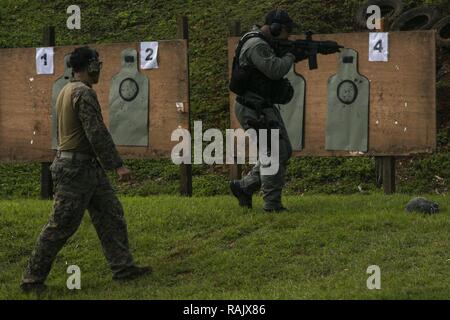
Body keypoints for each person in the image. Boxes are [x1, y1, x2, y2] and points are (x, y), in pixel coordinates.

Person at [21, 46, 150, 293]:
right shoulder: (83, 93)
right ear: (89, 66)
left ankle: (123, 268)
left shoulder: (68, 89)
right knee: (61, 225)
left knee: (111, 215)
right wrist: (118, 166)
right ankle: (31, 279)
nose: (100, 67)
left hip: (85, 167)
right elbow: (96, 133)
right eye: (97, 63)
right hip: (76, 169)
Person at [229, 9, 334, 212]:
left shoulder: (264, 43)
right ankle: (272, 204)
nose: (288, 36)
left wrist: (301, 52)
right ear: (275, 28)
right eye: (286, 31)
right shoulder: (256, 45)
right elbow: (275, 70)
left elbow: (276, 61)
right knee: (274, 153)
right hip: (253, 108)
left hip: (262, 106)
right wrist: (290, 55)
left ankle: (244, 186)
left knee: (282, 150)